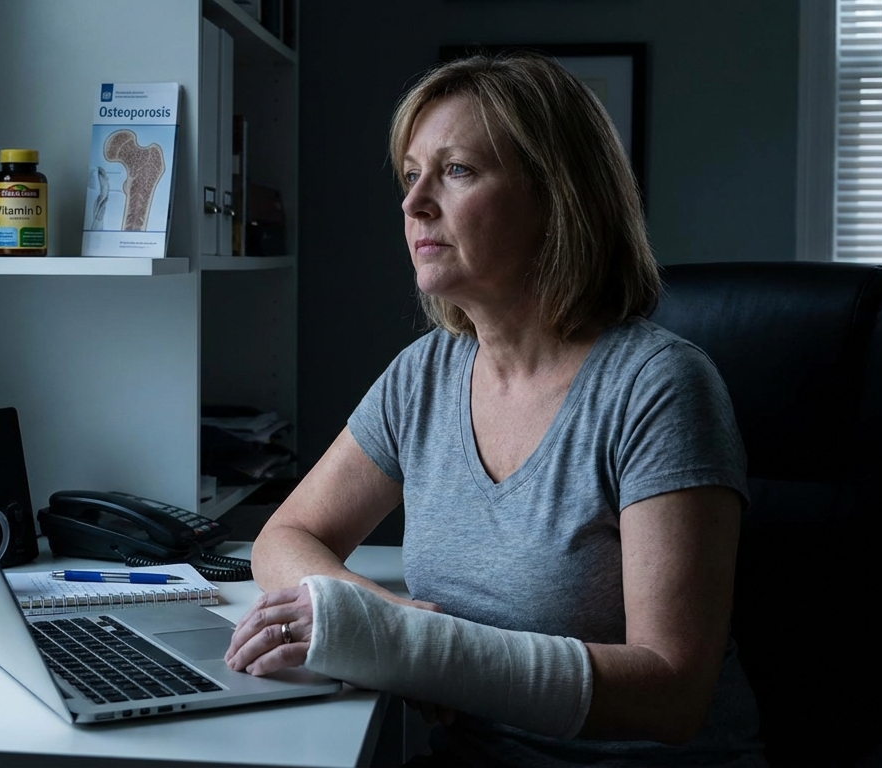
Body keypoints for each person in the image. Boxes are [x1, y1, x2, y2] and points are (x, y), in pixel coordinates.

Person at [223, 51, 766, 767]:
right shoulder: (423, 376)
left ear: (557, 195)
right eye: (410, 174)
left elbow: (673, 692)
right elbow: (284, 536)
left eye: (456, 170)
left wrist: (421, 653)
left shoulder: (659, 388)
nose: (414, 203)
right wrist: (384, 621)